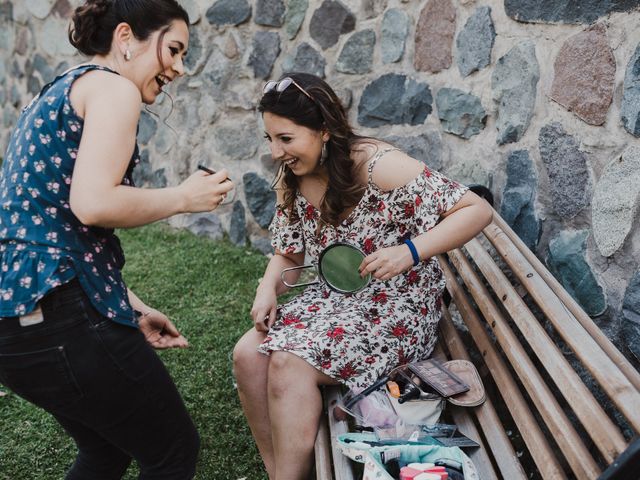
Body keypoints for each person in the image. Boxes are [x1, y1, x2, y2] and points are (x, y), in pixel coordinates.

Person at [0, 0, 233, 478]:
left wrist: (130, 306)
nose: (179, 68)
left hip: (16, 319)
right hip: (55, 315)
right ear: (126, 38)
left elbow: (53, 226)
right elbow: (93, 204)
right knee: (173, 451)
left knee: (106, 450)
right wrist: (184, 197)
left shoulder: (59, 91)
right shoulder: (113, 89)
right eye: (173, 49)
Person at [233, 73, 493, 479]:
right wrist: (267, 287)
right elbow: (288, 250)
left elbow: (476, 210)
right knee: (248, 355)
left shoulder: (378, 166)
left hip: (399, 306)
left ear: (323, 130)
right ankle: (280, 473)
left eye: (285, 138)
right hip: (337, 299)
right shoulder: (293, 176)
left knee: (287, 364)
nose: (275, 151)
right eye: (270, 139)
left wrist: (410, 251)